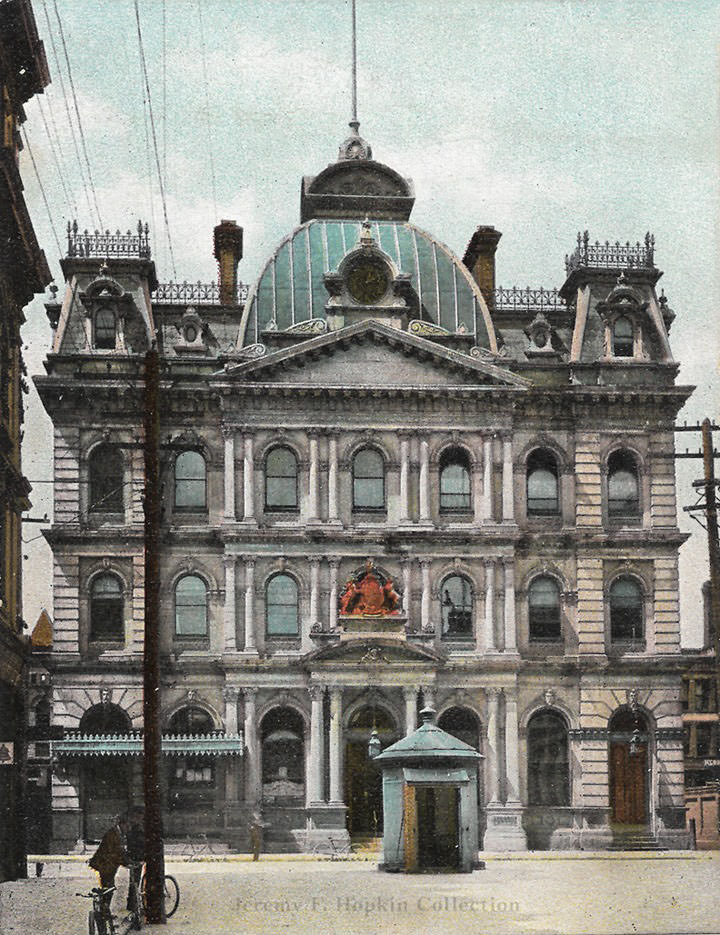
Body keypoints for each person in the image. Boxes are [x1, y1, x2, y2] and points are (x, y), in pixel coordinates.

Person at [88, 814, 129, 916]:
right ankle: (103, 912)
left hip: (108, 865)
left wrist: (127, 861)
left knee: (108, 888)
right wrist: (126, 862)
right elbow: (114, 852)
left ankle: (105, 911)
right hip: (105, 865)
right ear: (122, 824)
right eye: (127, 826)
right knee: (108, 888)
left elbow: (120, 851)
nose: (128, 829)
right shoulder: (113, 834)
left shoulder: (117, 833)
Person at [125, 806, 145, 912]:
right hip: (136, 856)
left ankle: (132, 902)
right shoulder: (136, 828)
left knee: (134, 880)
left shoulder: (133, 826)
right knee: (135, 880)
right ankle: (133, 903)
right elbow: (137, 843)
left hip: (134, 855)